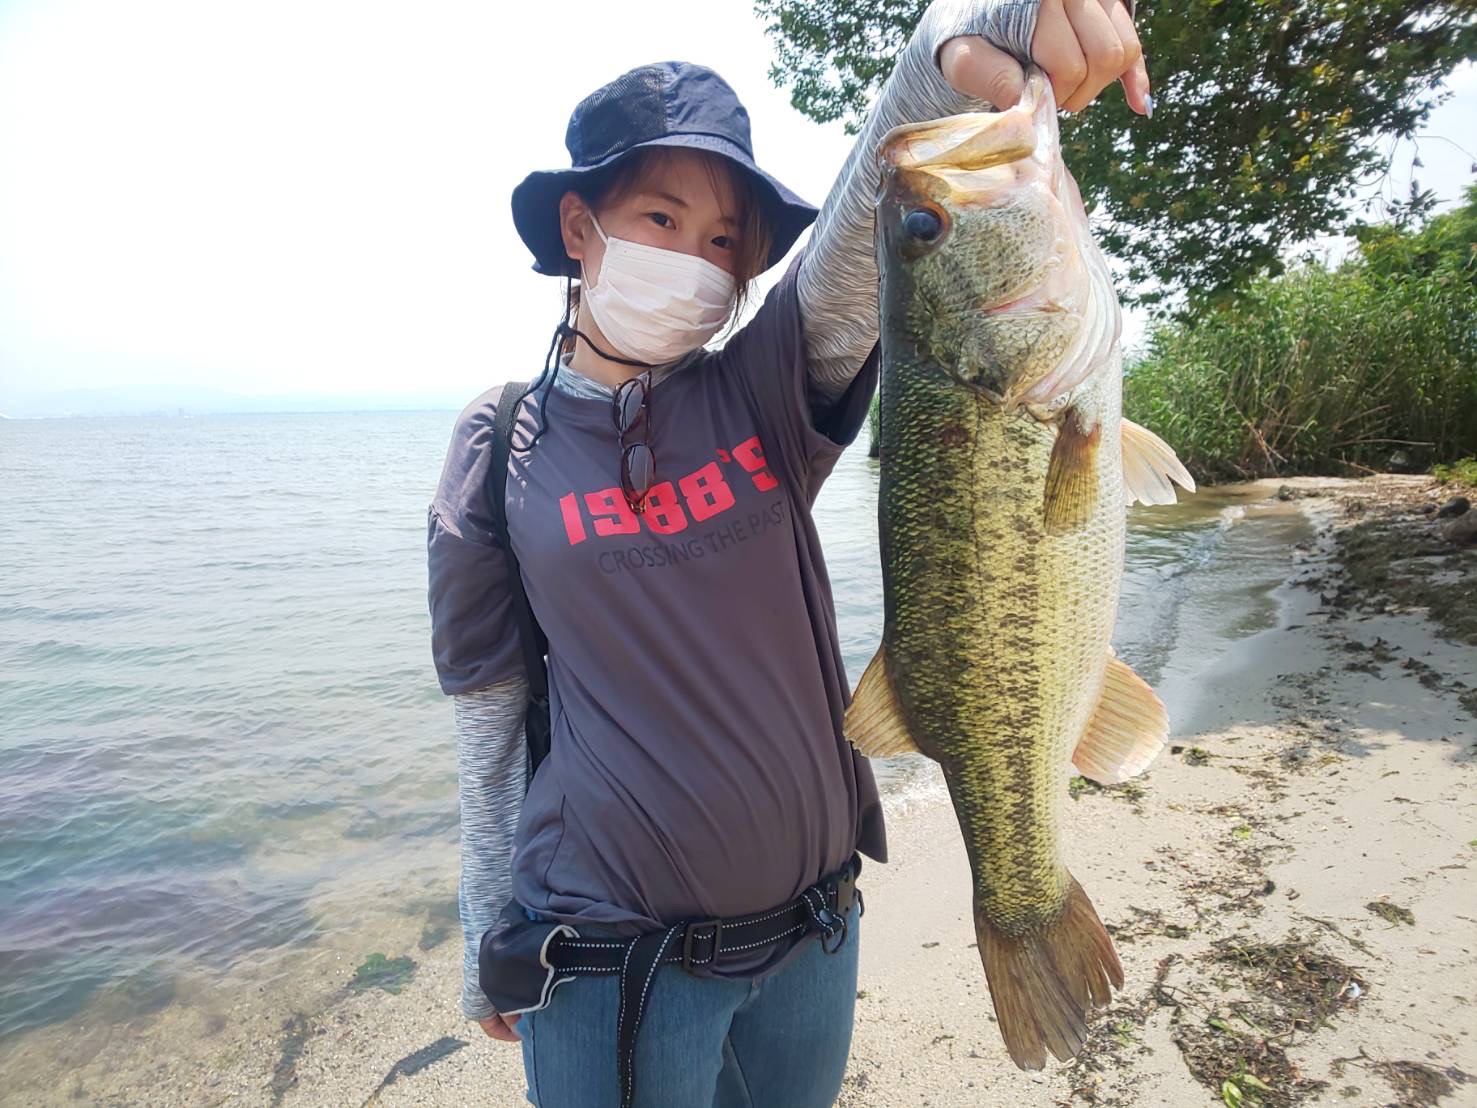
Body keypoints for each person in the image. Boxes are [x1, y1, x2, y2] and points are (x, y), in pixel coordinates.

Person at [426, 1, 1148, 1103]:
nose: (696, 256)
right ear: (578, 226)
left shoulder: (762, 390)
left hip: (816, 931)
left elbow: (879, 215)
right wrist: (486, 916)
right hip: (610, 958)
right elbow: (489, 704)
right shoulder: (500, 443)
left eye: (725, 240)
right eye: (661, 217)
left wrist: (969, 37)